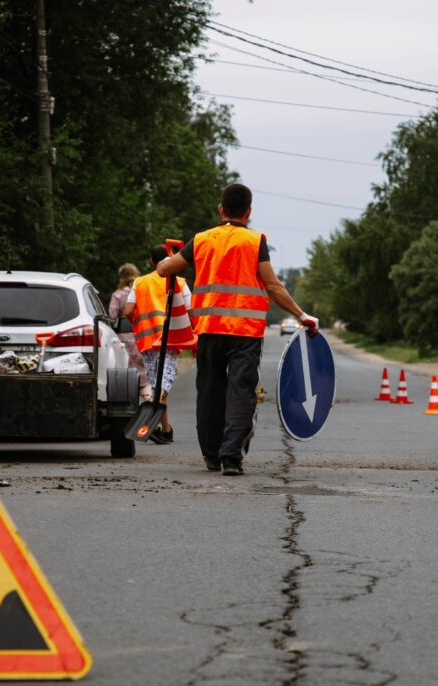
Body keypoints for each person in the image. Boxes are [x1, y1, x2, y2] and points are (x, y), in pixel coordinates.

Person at [156, 183, 318, 476]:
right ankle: (231, 457)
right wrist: (302, 315)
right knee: (240, 393)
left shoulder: (201, 240)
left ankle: (210, 455)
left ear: (221, 209)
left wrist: (167, 261)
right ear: (249, 212)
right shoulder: (255, 242)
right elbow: (273, 287)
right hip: (244, 333)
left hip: (208, 331)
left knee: (209, 392)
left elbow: (165, 270)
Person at [122, 248, 196, 444]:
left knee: (157, 385)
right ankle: (152, 425)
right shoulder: (179, 282)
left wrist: (138, 322)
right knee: (162, 385)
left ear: (151, 262)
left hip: (148, 341)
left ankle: (166, 429)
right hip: (170, 341)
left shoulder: (140, 282)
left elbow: (128, 310)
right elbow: (191, 310)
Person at [108, 263, 152, 401]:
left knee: (126, 379)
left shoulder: (118, 295)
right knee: (143, 379)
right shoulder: (141, 293)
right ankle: (150, 409)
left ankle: (129, 414)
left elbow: (112, 317)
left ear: (121, 277)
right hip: (142, 339)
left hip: (123, 343)